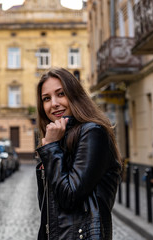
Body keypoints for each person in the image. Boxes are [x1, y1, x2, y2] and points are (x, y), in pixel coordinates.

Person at [35, 67, 122, 240]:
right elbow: (47, 207)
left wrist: (51, 149)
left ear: (74, 95)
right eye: (46, 98)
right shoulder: (58, 138)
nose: (53, 103)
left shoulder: (93, 133)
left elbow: (69, 197)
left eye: (61, 94)